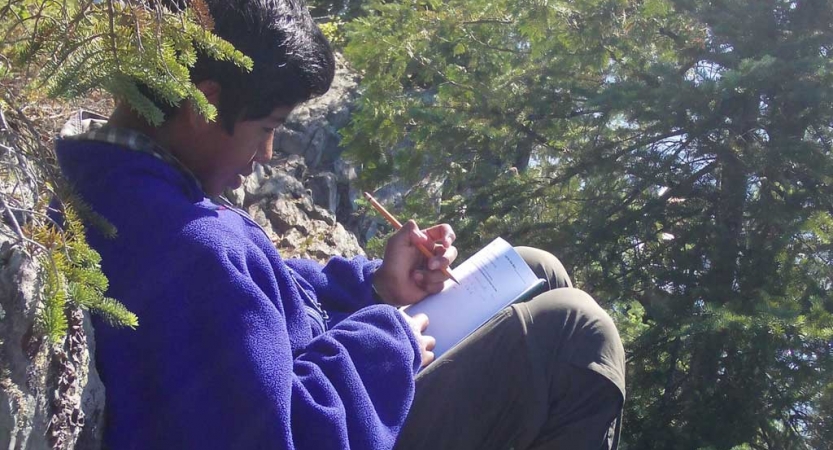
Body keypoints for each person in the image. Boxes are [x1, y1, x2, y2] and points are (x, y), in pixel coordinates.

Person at [55, 0, 626, 448]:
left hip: (317, 373)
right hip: (339, 417)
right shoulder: (186, 247)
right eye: (267, 127)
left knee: (534, 270)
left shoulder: (130, 180)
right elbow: (276, 437)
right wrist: (385, 343)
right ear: (204, 103)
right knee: (577, 335)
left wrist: (373, 286)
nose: (267, 155)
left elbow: (261, 297)